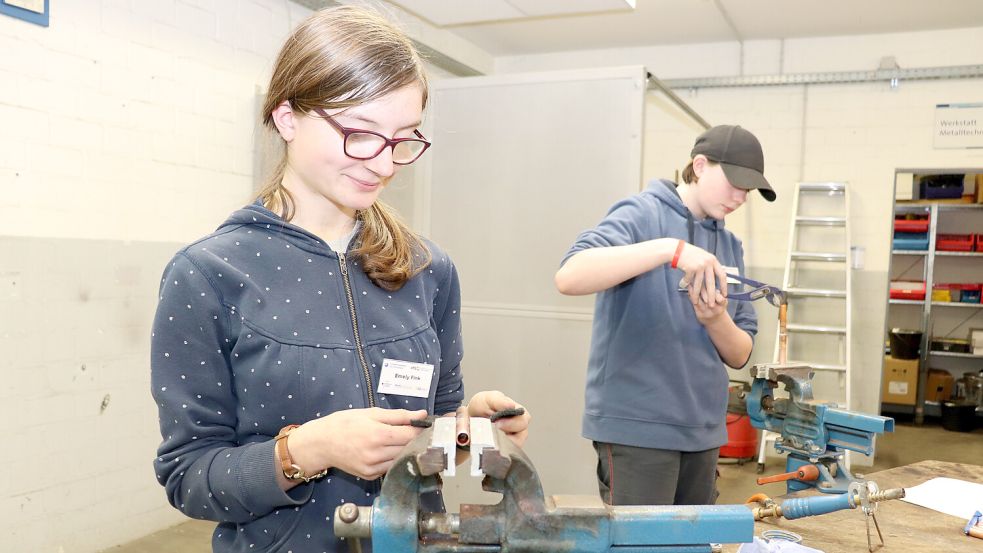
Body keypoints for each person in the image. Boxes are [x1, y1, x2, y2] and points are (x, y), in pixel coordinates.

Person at [150, 6, 531, 552]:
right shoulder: (209, 275)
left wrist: (472, 429)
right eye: (360, 133)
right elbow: (189, 476)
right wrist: (309, 449)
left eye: (402, 139)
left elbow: (433, 438)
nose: (383, 164)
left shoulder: (429, 269)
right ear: (287, 118)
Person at [554, 125, 775, 506]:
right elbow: (569, 276)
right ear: (700, 165)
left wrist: (714, 318)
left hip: (704, 434)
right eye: (734, 183)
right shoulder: (642, 213)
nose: (740, 197)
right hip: (638, 431)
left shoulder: (730, 245)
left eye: (749, 190)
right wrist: (670, 250)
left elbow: (740, 353)